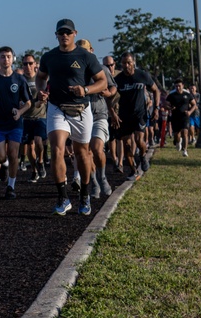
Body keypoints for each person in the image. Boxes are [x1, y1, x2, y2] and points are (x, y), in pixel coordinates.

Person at [36, 19, 108, 216]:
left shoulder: (85, 56)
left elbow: (102, 82)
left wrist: (85, 89)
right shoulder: (49, 57)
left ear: (75, 33)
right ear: (56, 35)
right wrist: (41, 91)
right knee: (57, 148)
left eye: (68, 32)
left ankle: (84, 195)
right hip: (57, 107)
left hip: (81, 109)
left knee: (81, 153)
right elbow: (40, 76)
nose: (64, 35)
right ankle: (63, 197)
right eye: (61, 32)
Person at [0, 46, 32, 199]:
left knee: (13, 154)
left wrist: (20, 112)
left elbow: (29, 103)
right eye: (3, 56)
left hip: (14, 123)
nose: (6, 59)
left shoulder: (19, 79)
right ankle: (3, 166)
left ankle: (11, 186)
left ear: (13, 59)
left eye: (8, 56)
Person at [76, 39, 117, 197]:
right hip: (81, 115)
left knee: (96, 147)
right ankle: (93, 182)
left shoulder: (101, 69)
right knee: (84, 153)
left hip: (99, 113)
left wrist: (108, 93)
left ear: (91, 51)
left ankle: (102, 177)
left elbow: (113, 87)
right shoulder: (75, 70)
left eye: (85, 51)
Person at [113, 52, 160, 180]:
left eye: (128, 62)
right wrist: (113, 113)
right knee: (127, 145)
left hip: (140, 114)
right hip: (124, 115)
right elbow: (110, 96)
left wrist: (156, 108)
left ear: (133, 62)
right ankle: (134, 171)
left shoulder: (142, 75)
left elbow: (156, 90)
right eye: (123, 63)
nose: (126, 65)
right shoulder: (118, 80)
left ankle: (143, 156)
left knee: (139, 141)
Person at [19, 54, 48, 182]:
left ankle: (41, 160)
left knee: (38, 141)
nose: (28, 66)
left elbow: (45, 95)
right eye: (25, 64)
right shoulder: (20, 80)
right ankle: (34, 170)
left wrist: (42, 101)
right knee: (29, 147)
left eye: (30, 63)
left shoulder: (40, 79)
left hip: (40, 116)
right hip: (26, 117)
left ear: (35, 65)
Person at [164, 79, 197, 157]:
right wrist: (170, 108)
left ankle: (185, 150)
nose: (177, 87)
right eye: (176, 86)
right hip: (175, 117)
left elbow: (194, 105)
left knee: (185, 132)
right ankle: (178, 142)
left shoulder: (187, 94)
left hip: (185, 117)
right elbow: (165, 105)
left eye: (179, 86)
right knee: (176, 135)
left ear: (183, 86)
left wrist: (189, 112)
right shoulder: (172, 95)